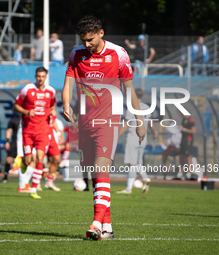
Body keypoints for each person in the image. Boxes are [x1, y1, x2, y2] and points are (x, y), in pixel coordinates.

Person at [62, 16, 145, 241]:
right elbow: (68, 81)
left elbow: (129, 90)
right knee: (98, 176)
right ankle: (107, 227)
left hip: (109, 122)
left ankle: (96, 223)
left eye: (90, 39)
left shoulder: (119, 54)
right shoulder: (76, 54)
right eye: (83, 40)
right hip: (85, 124)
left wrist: (139, 120)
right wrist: (66, 103)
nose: (87, 44)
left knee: (101, 169)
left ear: (101, 33)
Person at [13, 67, 56, 199]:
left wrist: (53, 112)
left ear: (46, 77)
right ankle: (24, 167)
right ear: (35, 76)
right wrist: (26, 112)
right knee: (27, 159)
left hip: (42, 131)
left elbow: (52, 106)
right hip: (28, 131)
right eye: (38, 76)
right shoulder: (27, 90)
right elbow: (15, 106)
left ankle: (34, 189)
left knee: (40, 158)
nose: (40, 78)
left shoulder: (51, 91)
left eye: (43, 76)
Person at [117, 88, 158, 194]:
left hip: (133, 136)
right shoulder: (146, 107)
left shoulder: (131, 107)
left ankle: (128, 188)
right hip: (142, 138)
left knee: (132, 164)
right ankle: (145, 178)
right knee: (138, 163)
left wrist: (117, 136)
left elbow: (127, 124)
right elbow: (150, 122)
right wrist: (154, 132)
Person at [0, 114, 21, 183]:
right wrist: (7, 141)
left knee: (28, 161)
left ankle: (27, 179)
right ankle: (5, 177)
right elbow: (9, 131)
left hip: (25, 142)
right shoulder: (13, 120)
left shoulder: (28, 119)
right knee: (8, 160)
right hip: (15, 143)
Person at [176, 113, 196, 180]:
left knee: (188, 156)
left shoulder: (190, 120)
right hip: (183, 140)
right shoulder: (183, 119)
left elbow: (193, 131)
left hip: (188, 140)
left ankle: (188, 173)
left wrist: (184, 129)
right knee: (181, 155)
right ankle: (180, 172)